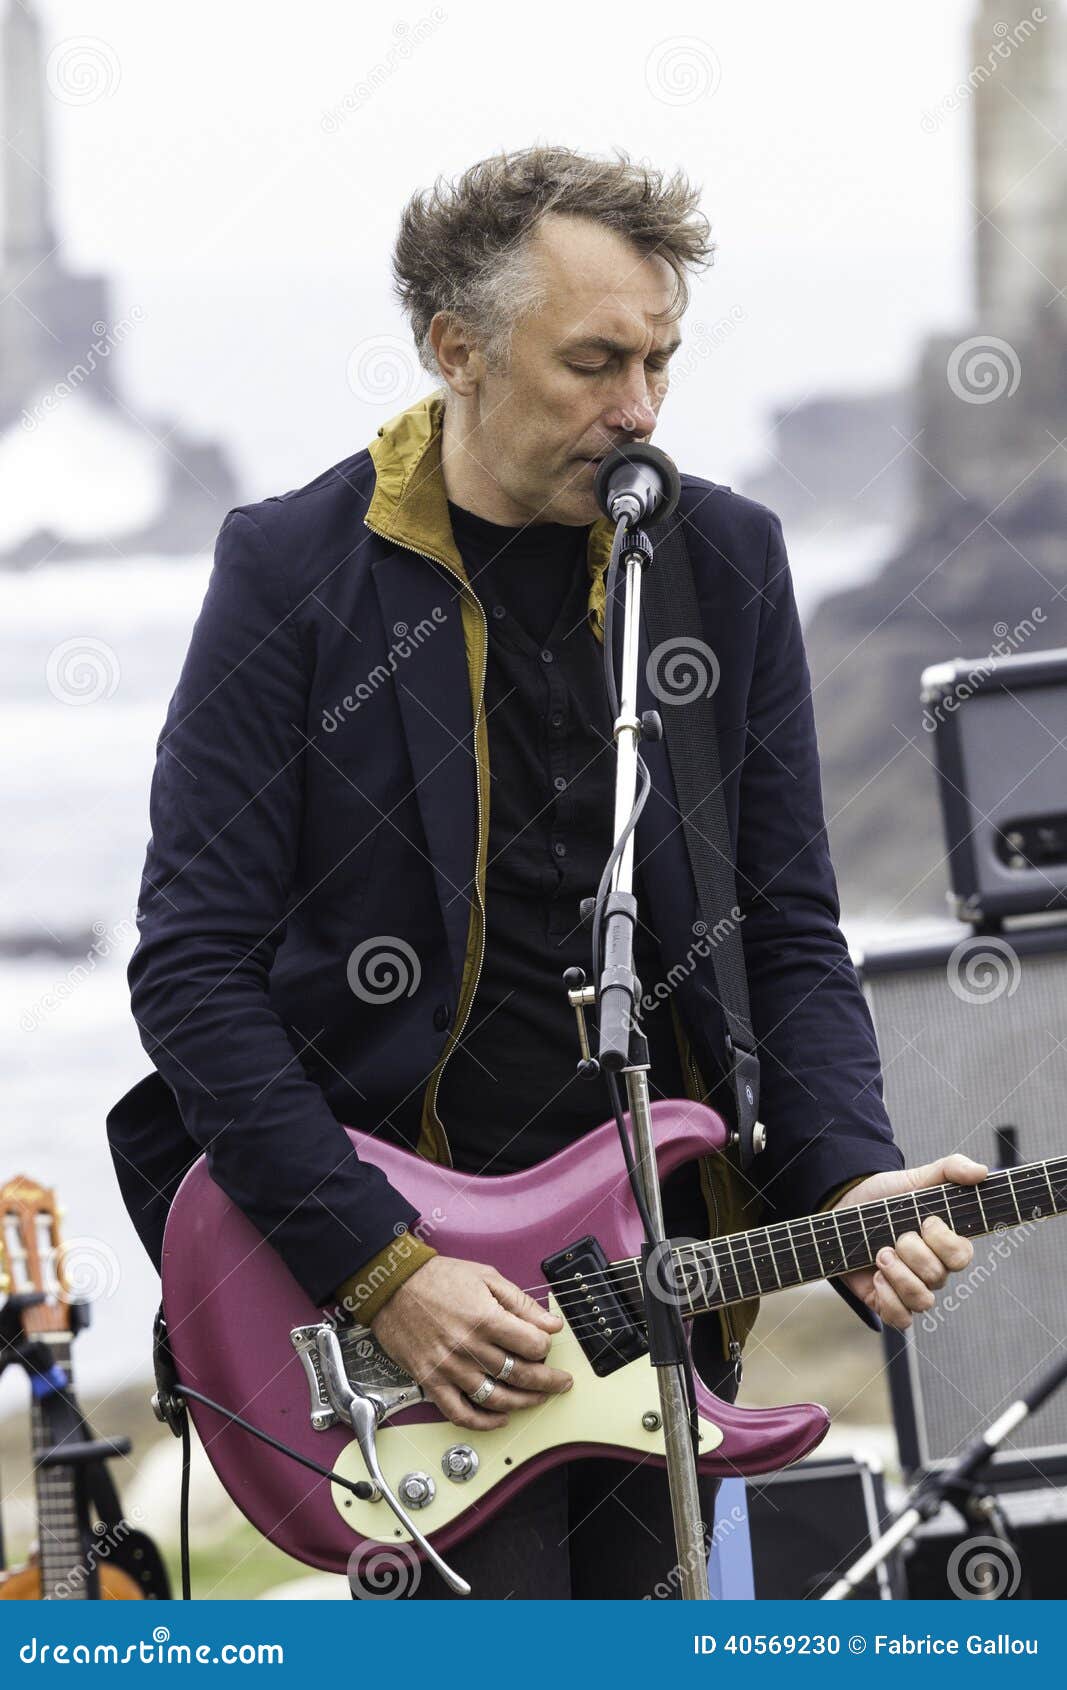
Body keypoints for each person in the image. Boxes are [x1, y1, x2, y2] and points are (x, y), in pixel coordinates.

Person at [106, 146, 982, 1600]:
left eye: (659, 361)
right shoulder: (296, 572)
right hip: (404, 1317)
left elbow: (784, 926)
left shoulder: (724, 562)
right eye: (592, 363)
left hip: (652, 1293)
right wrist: (384, 1269)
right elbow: (192, 970)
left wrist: (845, 1173)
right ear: (457, 349)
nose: (637, 409)